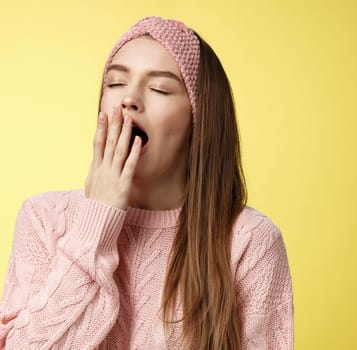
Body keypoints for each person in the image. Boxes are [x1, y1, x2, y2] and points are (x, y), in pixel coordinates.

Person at [0, 16, 294, 349]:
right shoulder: (44, 219)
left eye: (160, 88)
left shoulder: (249, 242)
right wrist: (95, 224)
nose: (129, 99)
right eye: (115, 83)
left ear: (200, 120)